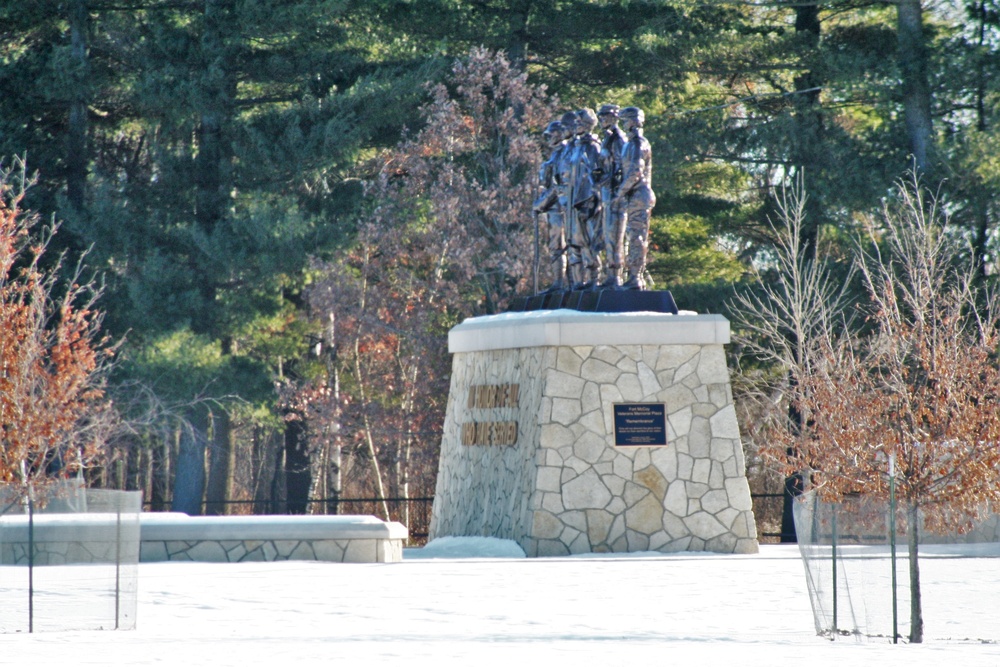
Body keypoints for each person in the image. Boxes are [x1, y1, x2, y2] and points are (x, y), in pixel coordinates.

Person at [614, 106, 655, 290]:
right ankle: (632, 276)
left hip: (639, 195)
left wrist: (619, 193)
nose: (623, 125)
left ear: (632, 121)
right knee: (632, 235)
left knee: (637, 237)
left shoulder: (638, 143)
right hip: (634, 195)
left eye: (625, 121)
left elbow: (635, 172)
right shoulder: (629, 144)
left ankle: (635, 277)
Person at [595, 104, 627, 289]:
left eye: (604, 117)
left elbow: (621, 169)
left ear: (614, 118)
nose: (602, 120)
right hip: (606, 194)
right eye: (600, 117)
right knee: (607, 236)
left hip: (616, 196)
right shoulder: (606, 139)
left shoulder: (618, 139)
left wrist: (609, 183)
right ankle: (609, 276)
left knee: (615, 237)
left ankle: (616, 276)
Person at [533, 120, 568, 293]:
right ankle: (558, 283)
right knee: (555, 246)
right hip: (554, 206)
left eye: (552, 134)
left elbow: (560, 185)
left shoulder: (565, 153)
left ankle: (564, 283)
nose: (549, 138)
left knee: (564, 246)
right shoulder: (555, 155)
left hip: (562, 205)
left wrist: (541, 203)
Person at [570, 108, 602, 289]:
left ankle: (593, 280)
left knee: (590, 243)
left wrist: (592, 203)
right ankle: (578, 282)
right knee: (577, 243)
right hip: (575, 202)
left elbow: (597, 177)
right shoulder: (577, 147)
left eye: (579, 123)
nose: (576, 126)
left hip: (589, 203)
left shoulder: (593, 147)